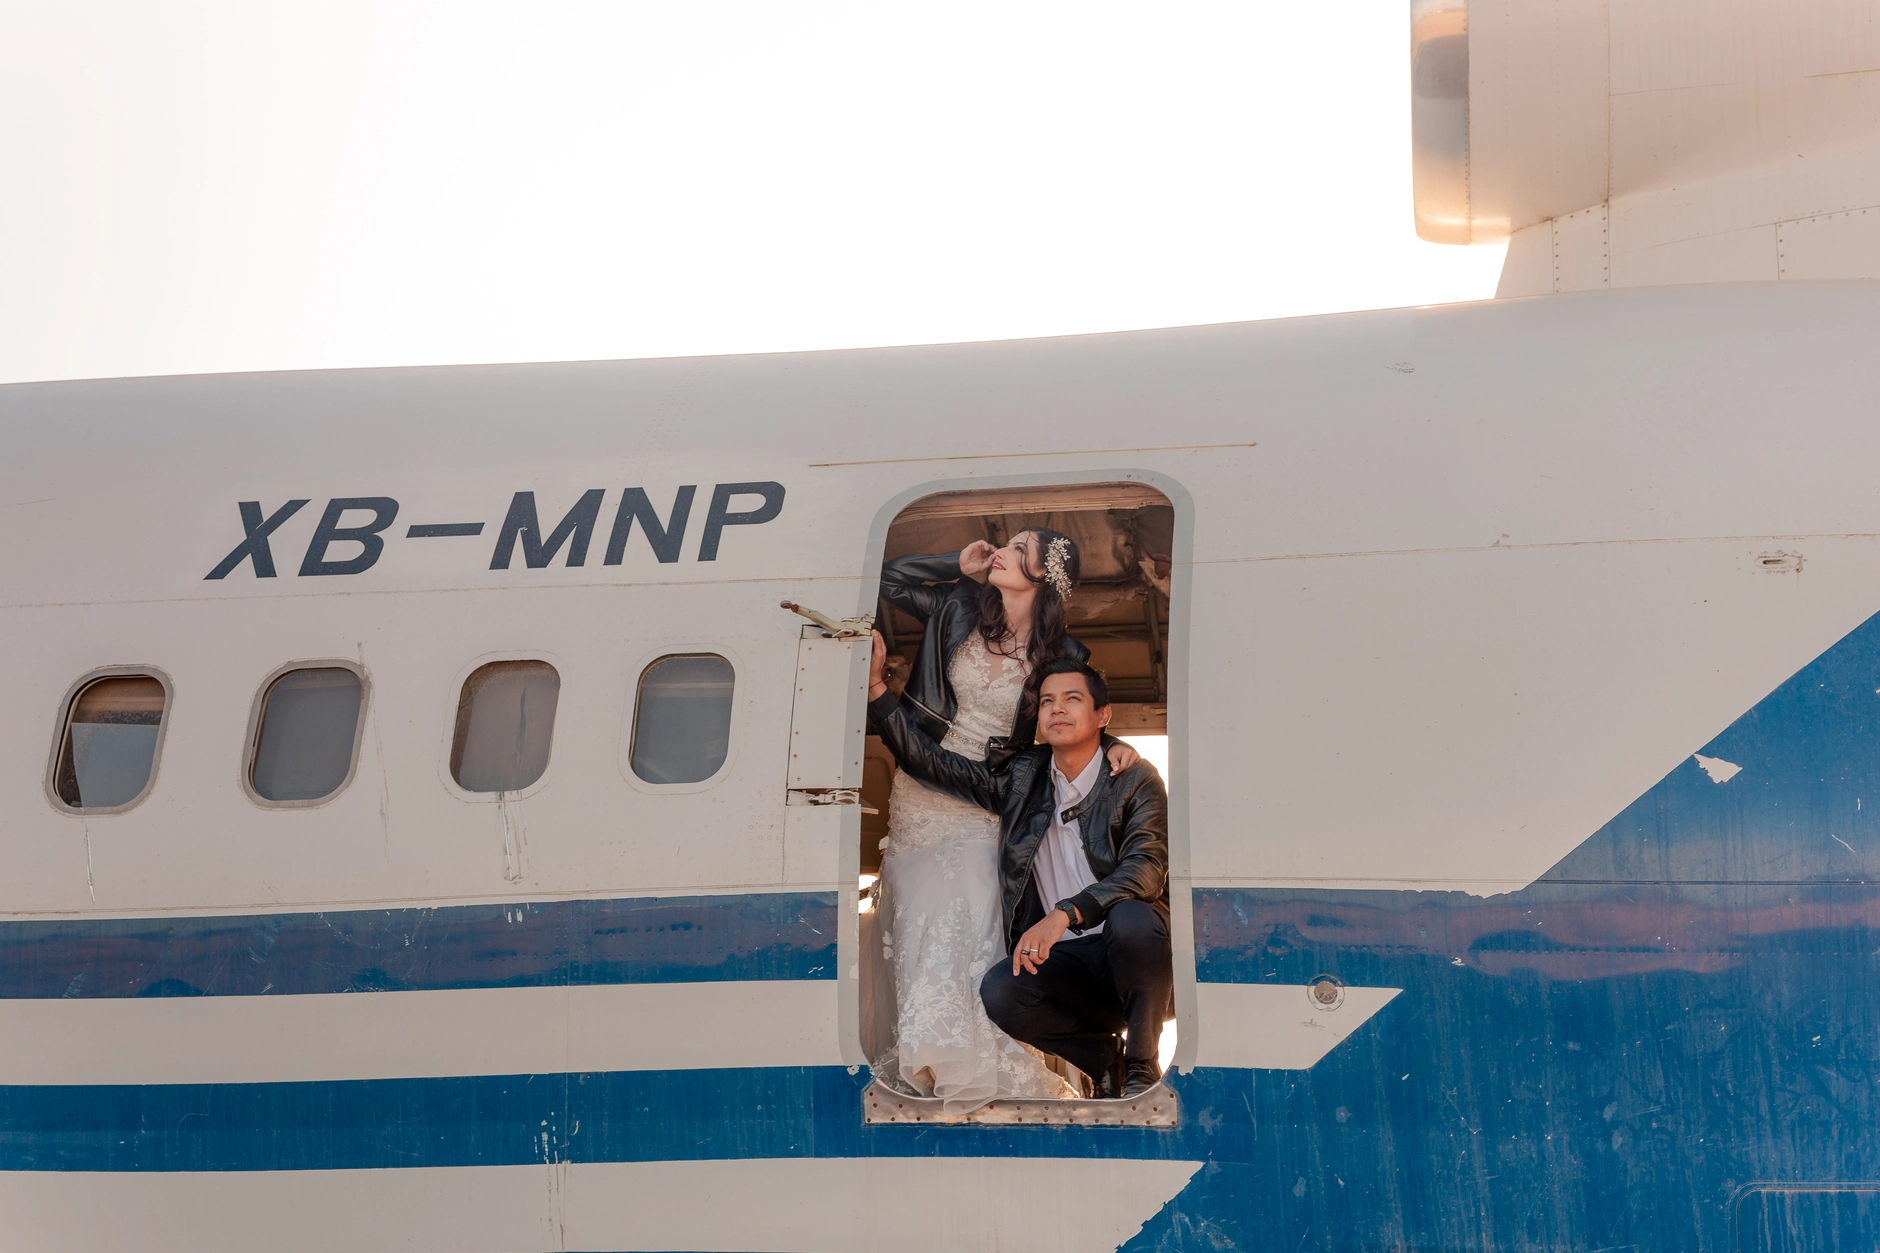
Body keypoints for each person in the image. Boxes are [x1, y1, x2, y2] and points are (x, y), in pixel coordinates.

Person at [865, 530, 1137, 1111]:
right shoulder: (957, 605)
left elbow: (1073, 708)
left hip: (988, 796)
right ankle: (926, 1062)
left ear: (1044, 573)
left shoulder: (1066, 655)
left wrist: (1112, 744)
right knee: (919, 920)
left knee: (968, 916)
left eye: (1016, 546)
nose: (999, 550)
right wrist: (950, 562)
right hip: (919, 791)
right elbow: (883, 581)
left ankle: (967, 1058)